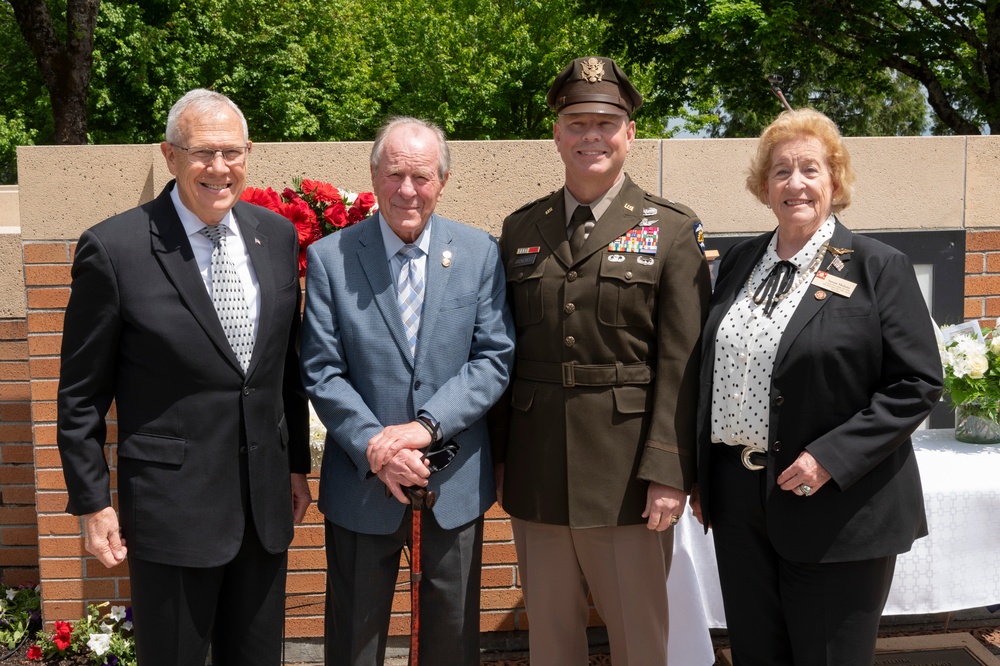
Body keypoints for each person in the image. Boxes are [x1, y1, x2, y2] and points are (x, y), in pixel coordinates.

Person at [56, 89, 312, 666]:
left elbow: (282, 371)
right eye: (202, 152)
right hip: (172, 511)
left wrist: (296, 463)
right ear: (170, 156)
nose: (219, 169)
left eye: (232, 152)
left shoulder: (275, 237)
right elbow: (80, 398)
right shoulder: (115, 248)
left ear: (248, 155)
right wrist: (93, 505)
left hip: (264, 508)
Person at [690, 108, 943, 665]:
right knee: (758, 654)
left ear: (835, 180)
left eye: (810, 169)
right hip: (738, 502)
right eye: (781, 171)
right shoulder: (738, 263)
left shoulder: (877, 266)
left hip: (833, 503)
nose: (795, 184)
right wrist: (702, 476)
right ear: (764, 186)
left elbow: (917, 382)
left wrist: (828, 458)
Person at [491, 56, 711, 664]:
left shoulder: (670, 230)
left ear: (630, 133)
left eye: (606, 123)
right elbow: (506, 353)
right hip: (537, 469)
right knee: (551, 640)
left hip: (627, 475)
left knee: (639, 640)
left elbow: (684, 361)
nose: (592, 135)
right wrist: (503, 454)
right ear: (557, 134)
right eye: (577, 122)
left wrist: (670, 469)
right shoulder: (520, 229)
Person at [300, 117, 515, 665]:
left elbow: (493, 359)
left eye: (421, 176)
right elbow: (323, 369)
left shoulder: (478, 253)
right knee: (354, 641)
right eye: (394, 173)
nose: (407, 189)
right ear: (374, 176)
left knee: (452, 641)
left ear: (442, 181)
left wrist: (424, 427)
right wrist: (378, 446)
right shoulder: (330, 258)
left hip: (452, 484)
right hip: (362, 486)